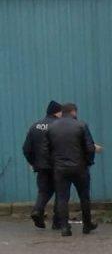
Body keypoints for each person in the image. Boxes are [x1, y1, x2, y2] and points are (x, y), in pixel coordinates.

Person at [47, 102, 99, 237]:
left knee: (62, 197)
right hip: (79, 167)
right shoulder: (81, 125)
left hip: (60, 168)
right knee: (84, 197)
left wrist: (54, 164)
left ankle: (64, 227)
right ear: (73, 112)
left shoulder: (52, 128)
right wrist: (88, 162)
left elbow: (48, 149)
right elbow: (90, 147)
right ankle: (87, 225)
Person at [22, 101, 63, 228]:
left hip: (41, 166)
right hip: (58, 165)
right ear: (58, 112)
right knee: (61, 192)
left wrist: (33, 162)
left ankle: (37, 210)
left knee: (43, 191)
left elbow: (26, 148)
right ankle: (57, 222)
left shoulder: (35, 126)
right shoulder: (59, 126)